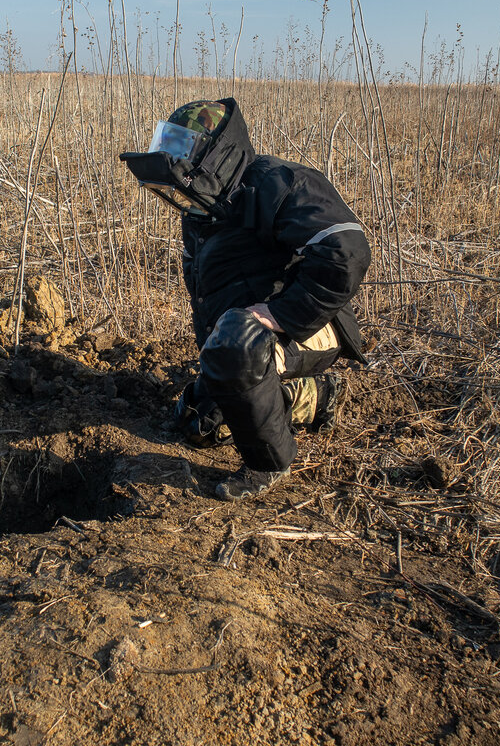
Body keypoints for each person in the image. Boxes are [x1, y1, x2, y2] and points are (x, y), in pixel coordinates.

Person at [120, 98, 370, 500]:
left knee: (237, 351)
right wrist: (216, 363)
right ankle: (314, 398)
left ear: (214, 153)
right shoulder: (202, 210)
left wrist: (280, 314)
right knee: (199, 422)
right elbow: (203, 290)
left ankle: (269, 464)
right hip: (243, 339)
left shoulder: (279, 183)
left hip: (312, 328)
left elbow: (346, 251)